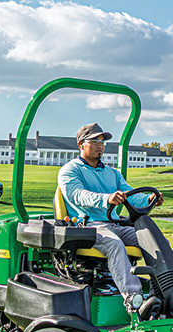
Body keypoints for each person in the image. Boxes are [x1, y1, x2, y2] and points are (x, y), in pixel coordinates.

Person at [58, 123, 164, 312]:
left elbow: (129, 193)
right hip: (87, 227)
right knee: (113, 243)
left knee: (153, 239)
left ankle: (162, 290)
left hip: (113, 224)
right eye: (95, 141)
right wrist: (106, 199)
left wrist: (149, 198)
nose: (100, 145)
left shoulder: (112, 173)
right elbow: (77, 195)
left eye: (103, 142)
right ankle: (133, 298)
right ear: (81, 144)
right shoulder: (70, 170)